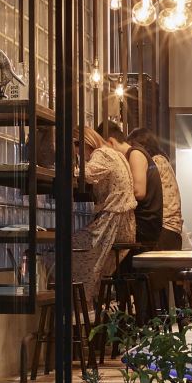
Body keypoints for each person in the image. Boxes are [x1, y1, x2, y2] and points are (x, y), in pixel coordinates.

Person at [72, 128, 136, 302]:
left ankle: (80, 301)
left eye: (77, 146)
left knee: (66, 249)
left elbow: (86, 174)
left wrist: (68, 167)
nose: (77, 152)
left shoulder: (102, 154)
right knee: (78, 248)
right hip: (126, 224)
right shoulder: (116, 154)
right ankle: (89, 301)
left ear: (86, 142)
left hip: (114, 222)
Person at [99, 121, 163, 250]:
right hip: (142, 225)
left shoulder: (135, 154)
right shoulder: (132, 154)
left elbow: (139, 192)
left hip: (143, 226)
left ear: (110, 142)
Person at [128, 128, 183, 253]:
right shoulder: (163, 160)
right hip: (172, 230)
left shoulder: (155, 162)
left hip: (163, 228)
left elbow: (141, 192)